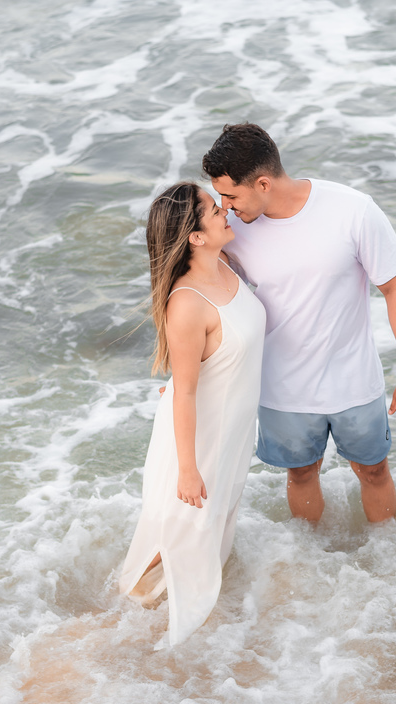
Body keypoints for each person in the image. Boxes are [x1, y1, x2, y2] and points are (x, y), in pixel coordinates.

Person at [202, 123, 396, 524]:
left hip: (353, 381)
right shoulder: (231, 230)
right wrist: (193, 369)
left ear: (264, 184)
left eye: (231, 194)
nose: (225, 205)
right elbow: (208, 298)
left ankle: (391, 567)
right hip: (283, 387)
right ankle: (308, 567)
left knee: (374, 471)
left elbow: (395, 289)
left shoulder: (352, 210)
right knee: (301, 472)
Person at [119, 182, 266, 648]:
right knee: (178, 530)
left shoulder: (225, 264)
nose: (224, 210)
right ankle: (125, 626)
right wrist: (187, 469)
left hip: (231, 429)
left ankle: (182, 618)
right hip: (196, 439)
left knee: (210, 527)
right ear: (195, 238)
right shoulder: (187, 303)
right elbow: (184, 394)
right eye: (212, 208)